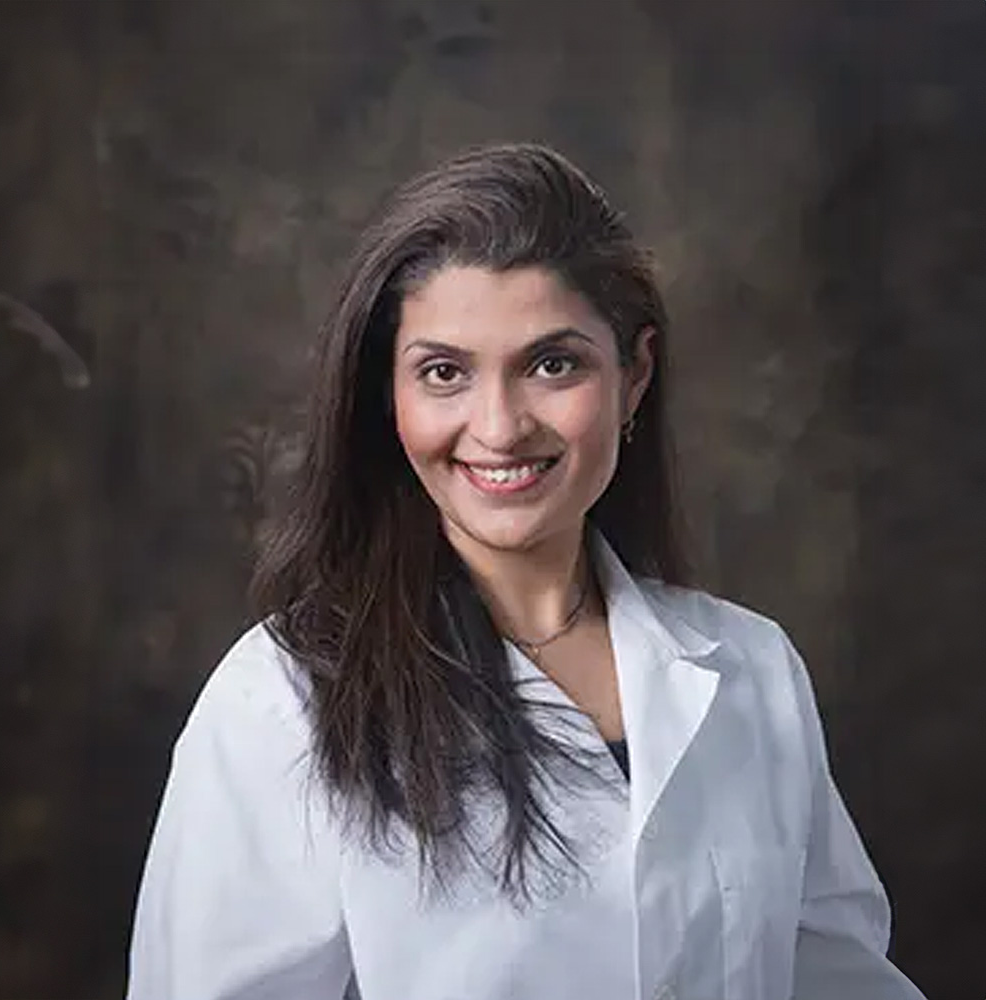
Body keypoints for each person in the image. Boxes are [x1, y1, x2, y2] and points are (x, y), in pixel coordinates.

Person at [127, 143, 926, 1000]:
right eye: (444, 373)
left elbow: (838, 976)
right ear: (385, 400)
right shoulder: (282, 701)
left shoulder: (750, 669)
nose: (500, 427)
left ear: (635, 375)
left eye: (553, 364)